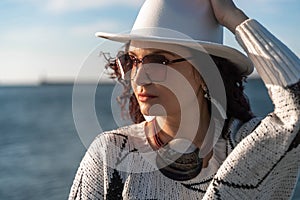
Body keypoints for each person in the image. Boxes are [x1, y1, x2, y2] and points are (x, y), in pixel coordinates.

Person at [69, 0, 300, 199]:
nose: (139, 77)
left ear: (206, 73)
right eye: (133, 61)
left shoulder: (245, 145)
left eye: (158, 61)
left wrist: (234, 18)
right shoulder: (112, 152)